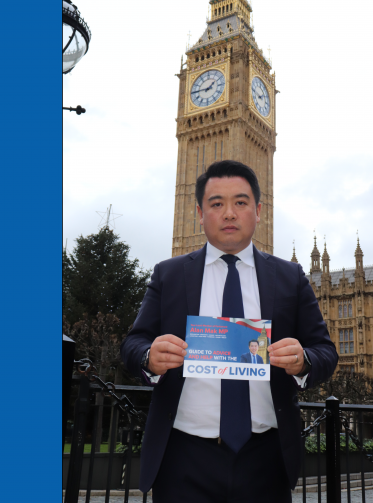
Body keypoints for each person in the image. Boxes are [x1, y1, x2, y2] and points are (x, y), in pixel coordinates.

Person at [121, 160, 337, 503]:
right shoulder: (169, 274)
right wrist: (150, 356)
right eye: (216, 204)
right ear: (199, 213)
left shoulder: (290, 277)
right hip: (183, 458)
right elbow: (133, 344)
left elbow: (325, 351)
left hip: (266, 459)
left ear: (258, 211)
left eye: (240, 202)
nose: (229, 213)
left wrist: (304, 360)